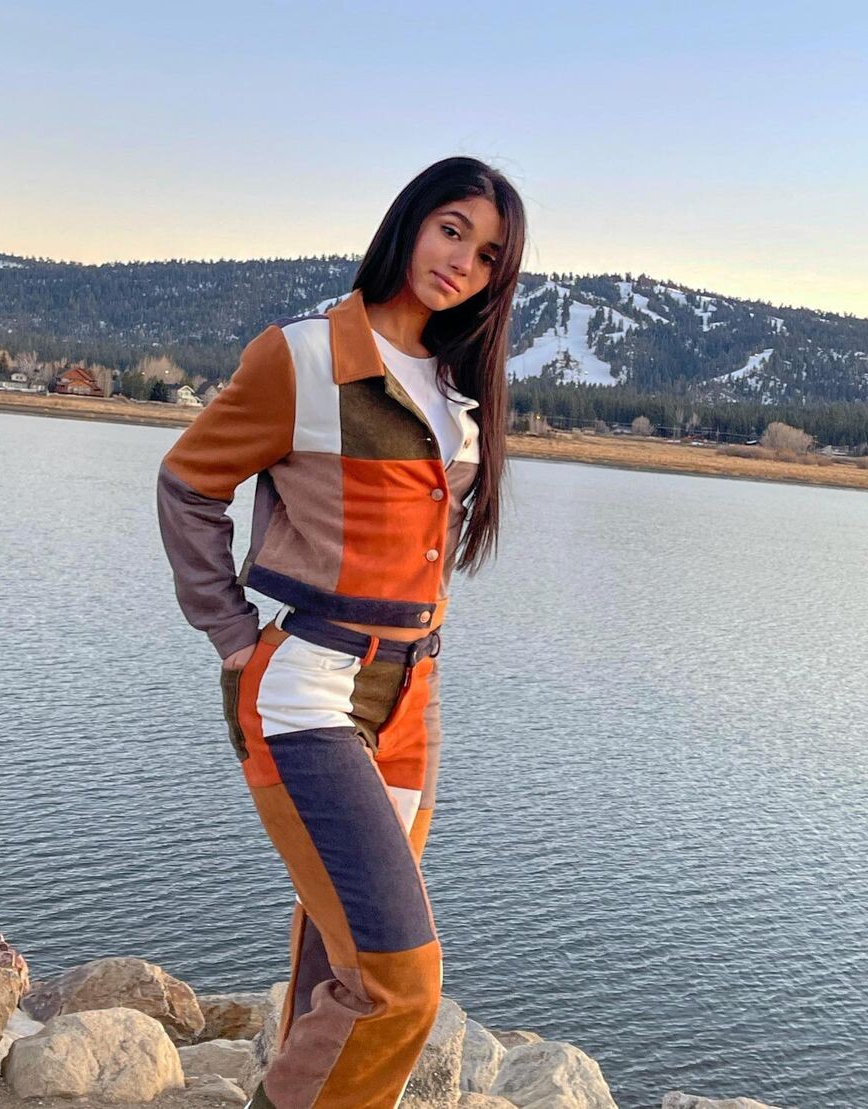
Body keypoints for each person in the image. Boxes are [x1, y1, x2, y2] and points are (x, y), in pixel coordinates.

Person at [156, 155, 527, 1109]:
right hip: (310, 688)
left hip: (411, 701)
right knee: (399, 982)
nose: (463, 261)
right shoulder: (305, 356)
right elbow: (190, 483)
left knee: (342, 949)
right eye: (452, 229)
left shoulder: (458, 388)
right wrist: (232, 633)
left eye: (489, 255)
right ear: (410, 223)